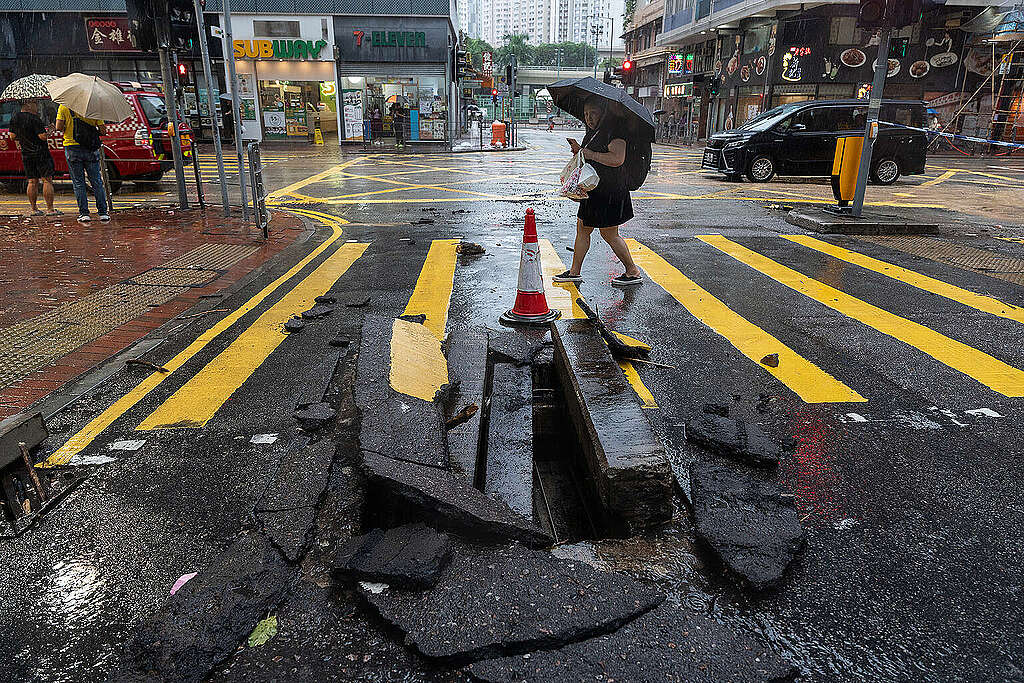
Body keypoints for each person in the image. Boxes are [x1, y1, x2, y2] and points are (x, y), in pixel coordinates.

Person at [553, 97, 643, 287]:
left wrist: (588, 153)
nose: (589, 118)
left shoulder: (615, 131)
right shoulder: (595, 132)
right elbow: (589, 155)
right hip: (595, 190)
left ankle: (632, 271)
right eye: (586, 114)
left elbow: (617, 159)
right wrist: (579, 150)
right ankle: (574, 271)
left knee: (609, 234)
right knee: (583, 229)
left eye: (593, 113)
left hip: (610, 191)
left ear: (603, 112)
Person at [55, 103, 109, 223]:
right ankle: (103, 213)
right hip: (90, 148)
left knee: (79, 182)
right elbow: (103, 130)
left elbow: (58, 127)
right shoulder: (93, 107)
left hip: (72, 147)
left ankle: (84, 214)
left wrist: (68, 128)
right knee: (96, 181)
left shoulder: (64, 107)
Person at [10, 100, 59, 216]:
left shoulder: (15, 118)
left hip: (26, 153)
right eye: (35, 103)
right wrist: (50, 132)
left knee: (32, 181)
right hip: (41, 153)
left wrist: (23, 138)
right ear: (28, 105)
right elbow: (42, 137)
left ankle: (33, 209)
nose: (37, 106)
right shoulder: (35, 118)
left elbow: (12, 136)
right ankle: (50, 209)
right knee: (47, 180)